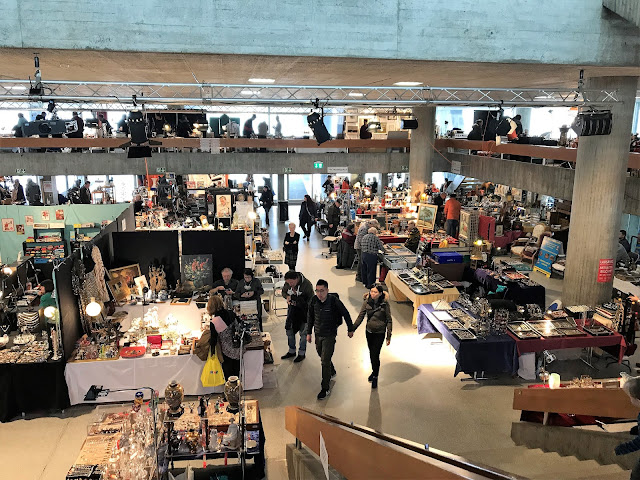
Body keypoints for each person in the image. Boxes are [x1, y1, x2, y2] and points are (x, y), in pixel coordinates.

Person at [306, 279, 354, 399]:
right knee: (320, 354)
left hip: (329, 335)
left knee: (324, 361)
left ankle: (325, 388)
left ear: (327, 290)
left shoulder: (333, 301)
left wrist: (350, 329)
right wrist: (308, 333)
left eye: (322, 291)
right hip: (318, 333)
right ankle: (331, 371)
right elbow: (310, 317)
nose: (319, 293)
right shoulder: (314, 300)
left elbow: (345, 313)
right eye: (317, 291)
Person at [352, 284, 392, 389]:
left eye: (375, 292)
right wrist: (352, 328)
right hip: (369, 332)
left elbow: (389, 320)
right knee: (371, 354)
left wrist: (388, 336)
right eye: (371, 291)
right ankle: (374, 371)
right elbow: (360, 316)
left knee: (375, 354)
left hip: (380, 333)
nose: (372, 294)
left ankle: (375, 376)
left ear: (380, 293)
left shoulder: (385, 304)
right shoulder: (367, 302)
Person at [281, 271, 314, 362]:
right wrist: (287, 297)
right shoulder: (288, 283)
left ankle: (301, 353)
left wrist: (299, 301)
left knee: (303, 333)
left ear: (297, 279)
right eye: (288, 283)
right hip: (292, 311)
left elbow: (312, 300)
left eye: (291, 282)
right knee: (289, 331)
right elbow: (283, 292)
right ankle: (291, 351)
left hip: (304, 313)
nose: (290, 284)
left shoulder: (307, 285)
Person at [207, 295, 241, 380]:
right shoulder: (231, 313)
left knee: (229, 376)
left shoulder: (214, 321)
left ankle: (231, 387)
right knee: (237, 372)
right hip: (237, 348)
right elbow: (239, 324)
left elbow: (213, 340)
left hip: (226, 352)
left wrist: (211, 351)